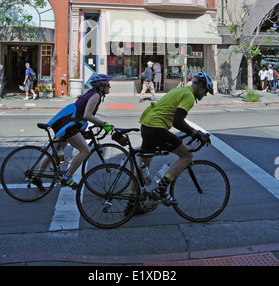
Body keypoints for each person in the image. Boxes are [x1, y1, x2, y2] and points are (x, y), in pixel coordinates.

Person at [127, 71, 213, 212]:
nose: (205, 96)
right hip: (156, 128)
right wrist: (196, 133)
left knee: (142, 166)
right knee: (187, 156)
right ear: (201, 87)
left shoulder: (180, 90)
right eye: (206, 92)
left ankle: (131, 205)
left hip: (147, 126)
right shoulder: (189, 96)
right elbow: (178, 121)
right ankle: (159, 191)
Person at [35, 74, 114, 190]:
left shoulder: (92, 94)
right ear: (101, 86)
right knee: (85, 150)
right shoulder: (96, 95)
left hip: (68, 120)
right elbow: (87, 115)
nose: (110, 87)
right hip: (70, 123)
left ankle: (38, 176)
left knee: (56, 150)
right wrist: (103, 124)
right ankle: (68, 177)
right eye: (108, 84)